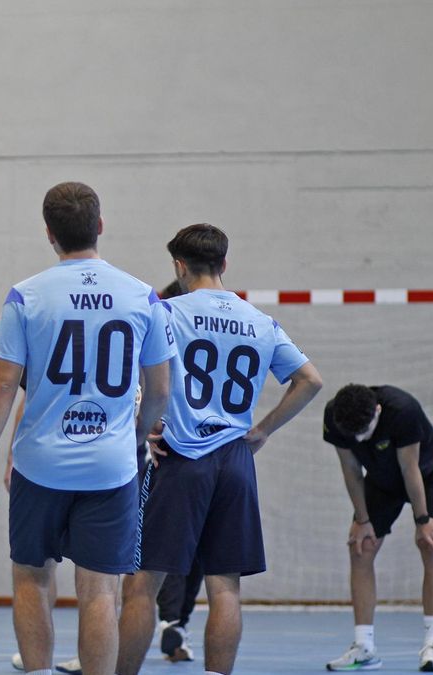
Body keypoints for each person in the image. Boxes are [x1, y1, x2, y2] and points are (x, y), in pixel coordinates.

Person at [0, 181, 175, 675]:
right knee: (100, 590)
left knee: (30, 579)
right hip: (109, 469)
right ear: (100, 226)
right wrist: (131, 437)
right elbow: (162, 390)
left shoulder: (26, 296)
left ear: (49, 234)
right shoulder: (141, 295)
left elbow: (3, 384)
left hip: (40, 465)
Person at [114, 223, 323, 675]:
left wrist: (146, 424)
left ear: (179, 266)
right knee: (224, 586)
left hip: (181, 456)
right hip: (235, 461)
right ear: (225, 264)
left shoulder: (165, 311)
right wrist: (264, 429)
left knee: (142, 585)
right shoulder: (261, 321)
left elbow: (144, 380)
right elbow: (310, 380)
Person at [33, 280, 202, 675]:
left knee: (122, 575)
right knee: (142, 570)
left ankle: (107, 654)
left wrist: (150, 428)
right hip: (177, 461)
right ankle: (162, 628)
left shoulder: (151, 324)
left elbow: (152, 393)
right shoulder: (166, 328)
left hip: (145, 461)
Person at [323, 384, 433, 671]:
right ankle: (364, 647)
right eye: (354, 435)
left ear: (378, 411)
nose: (360, 439)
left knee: (430, 545)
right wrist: (362, 521)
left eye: (365, 431)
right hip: (382, 481)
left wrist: (423, 522)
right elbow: (350, 470)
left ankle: (432, 642)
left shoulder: (403, 410)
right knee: (361, 548)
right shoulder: (335, 417)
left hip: (426, 475)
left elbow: (410, 470)